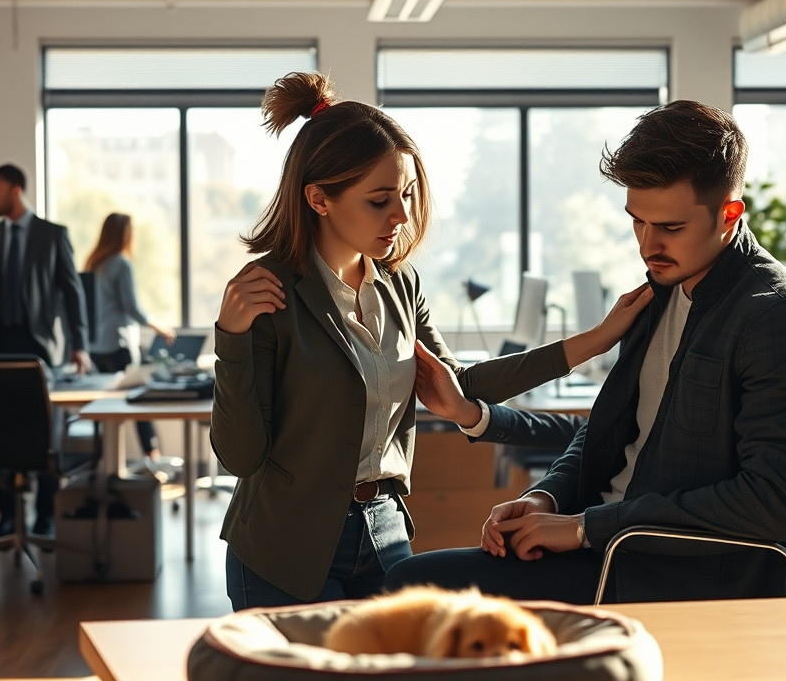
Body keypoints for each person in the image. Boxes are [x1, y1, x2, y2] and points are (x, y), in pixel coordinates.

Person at [210, 71, 650, 611]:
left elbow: (458, 384)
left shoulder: (399, 282)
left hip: (384, 532)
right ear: (319, 198)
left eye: (406, 195)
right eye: (379, 201)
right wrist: (230, 339)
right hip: (285, 544)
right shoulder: (268, 292)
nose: (400, 216)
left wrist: (597, 339)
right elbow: (240, 456)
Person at [384, 99, 786, 604]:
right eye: (638, 222)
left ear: (729, 213)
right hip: (609, 546)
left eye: (670, 227)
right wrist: (547, 496)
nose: (648, 245)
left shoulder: (779, 319)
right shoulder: (661, 291)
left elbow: (772, 503)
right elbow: (608, 435)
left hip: (666, 571)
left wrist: (586, 527)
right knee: (412, 586)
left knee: (409, 589)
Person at [0, 163, 91, 539]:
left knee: (44, 432)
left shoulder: (51, 235)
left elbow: (72, 293)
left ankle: (45, 515)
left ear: (16, 190)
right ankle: (5, 515)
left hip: (38, 348)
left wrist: (79, 345)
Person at [83, 212, 177, 474]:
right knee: (140, 403)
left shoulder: (93, 264)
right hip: (119, 343)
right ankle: (154, 462)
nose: (134, 234)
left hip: (96, 346)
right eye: (131, 229)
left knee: (104, 409)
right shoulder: (121, 264)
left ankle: (105, 467)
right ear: (123, 234)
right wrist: (158, 325)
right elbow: (131, 307)